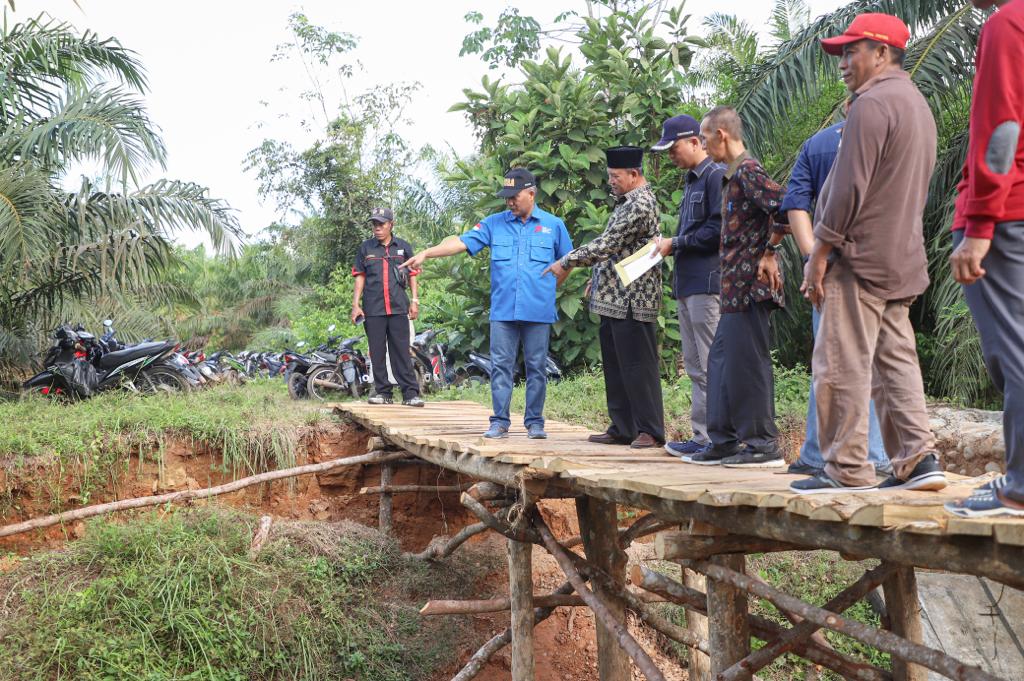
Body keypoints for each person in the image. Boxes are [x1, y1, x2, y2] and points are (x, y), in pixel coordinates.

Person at [792, 13, 946, 494]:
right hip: (900, 257)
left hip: (857, 258)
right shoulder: (916, 104)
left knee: (840, 364)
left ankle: (847, 468)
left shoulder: (871, 103)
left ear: (881, 53)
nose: (842, 62)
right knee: (894, 361)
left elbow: (848, 188)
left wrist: (820, 251)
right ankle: (918, 460)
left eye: (850, 50)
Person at [400, 168, 573, 439]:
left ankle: (535, 423)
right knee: (500, 366)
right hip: (503, 311)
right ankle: (500, 422)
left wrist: (549, 289)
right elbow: (461, 243)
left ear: (531, 193)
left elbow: (568, 261)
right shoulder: (494, 224)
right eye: (507, 197)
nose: (509, 202)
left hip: (538, 310)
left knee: (537, 367)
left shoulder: (554, 225)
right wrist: (427, 253)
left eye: (514, 197)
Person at [776, 121, 892, 477]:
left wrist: (813, 257)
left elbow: (796, 204)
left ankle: (816, 452)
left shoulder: (817, 143)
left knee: (826, 361)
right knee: (870, 359)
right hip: (876, 263)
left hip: (828, 270)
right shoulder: (886, 136)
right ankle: (873, 455)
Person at [945, 0, 1024, 517]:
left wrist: (979, 227)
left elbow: (1002, 130)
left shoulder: (1008, 21)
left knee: (1014, 352)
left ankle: (1019, 487)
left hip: (1007, 214)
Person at [544, 146, 665, 449]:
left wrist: (567, 261)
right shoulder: (625, 202)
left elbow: (608, 244)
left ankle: (650, 429)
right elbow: (619, 250)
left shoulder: (640, 204)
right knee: (616, 365)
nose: (610, 181)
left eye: (615, 176)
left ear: (634, 174)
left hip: (634, 298)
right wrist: (597, 277)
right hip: (614, 296)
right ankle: (623, 427)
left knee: (637, 365)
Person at [687, 106, 787, 468]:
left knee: (748, 365)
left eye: (704, 138)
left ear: (721, 135)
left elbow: (787, 205)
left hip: (750, 289)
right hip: (732, 291)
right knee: (720, 364)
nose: (703, 145)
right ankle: (724, 441)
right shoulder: (732, 176)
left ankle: (763, 444)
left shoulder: (748, 171)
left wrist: (771, 251)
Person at [649, 114, 725, 458]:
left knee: (710, 364)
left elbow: (718, 230)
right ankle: (701, 436)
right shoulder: (691, 181)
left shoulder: (715, 176)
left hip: (707, 285)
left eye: (673, 148)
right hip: (687, 285)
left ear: (695, 142)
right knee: (694, 366)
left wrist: (675, 243)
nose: (670, 156)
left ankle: (716, 439)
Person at [351, 207, 425, 407]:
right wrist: (356, 305)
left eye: (381, 224)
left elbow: (412, 275)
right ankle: (383, 392)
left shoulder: (403, 247)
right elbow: (360, 277)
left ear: (391, 224)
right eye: (374, 224)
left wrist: (415, 301)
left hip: (398, 307)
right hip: (373, 309)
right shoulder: (366, 248)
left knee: (401, 351)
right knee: (376, 352)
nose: (377, 228)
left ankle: (410, 394)